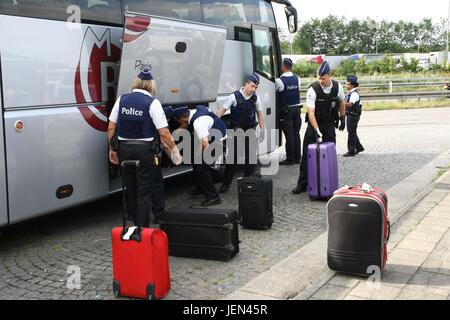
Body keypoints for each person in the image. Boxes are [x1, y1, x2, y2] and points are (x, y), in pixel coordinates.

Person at [108, 69, 182, 227]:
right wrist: (175, 151)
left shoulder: (122, 99)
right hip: (145, 151)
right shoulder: (152, 103)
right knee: (145, 189)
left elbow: (111, 127)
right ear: (151, 85)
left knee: (130, 187)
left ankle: (133, 223)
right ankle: (143, 229)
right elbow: (164, 133)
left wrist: (112, 149)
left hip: (124, 149)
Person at [292, 61, 346, 194]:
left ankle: (329, 183)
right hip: (314, 126)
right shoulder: (313, 89)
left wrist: (343, 117)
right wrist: (316, 131)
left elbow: (342, 102)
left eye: (323, 78)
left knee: (329, 154)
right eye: (319, 78)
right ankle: (302, 184)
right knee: (306, 155)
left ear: (330, 76)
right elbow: (310, 112)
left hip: (328, 125)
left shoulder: (338, 87)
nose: (321, 81)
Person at [215, 73, 266, 193]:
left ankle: (248, 181)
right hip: (237, 129)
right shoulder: (234, 96)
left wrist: (262, 129)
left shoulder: (255, 98)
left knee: (251, 158)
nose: (253, 89)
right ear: (246, 83)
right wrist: (214, 125)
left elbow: (260, 113)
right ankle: (226, 184)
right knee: (233, 158)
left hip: (250, 129)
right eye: (252, 86)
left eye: (255, 87)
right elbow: (221, 111)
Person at [171, 105, 227, 207]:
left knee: (202, 168)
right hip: (211, 138)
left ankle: (213, 197)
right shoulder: (193, 113)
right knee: (196, 161)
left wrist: (202, 157)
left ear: (183, 118)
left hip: (218, 142)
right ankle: (201, 188)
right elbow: (184, 126)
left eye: (178, 121)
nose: (179, 124)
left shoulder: (198, 122)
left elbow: (205, 144)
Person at [276, 58, 302, 165]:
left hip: (286, 111)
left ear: (283, 66)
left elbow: (276, 92)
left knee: (289, 135)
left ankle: (290, 159)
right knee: (296, 134)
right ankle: (297, 158)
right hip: (297, 109)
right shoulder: (297, 78)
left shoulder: (279, 80)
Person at [343, 75, 364, 157]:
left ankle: (351, 150)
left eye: (348, 84)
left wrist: (341, 102)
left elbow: (350, 104)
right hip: (351, 114)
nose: (346, 85)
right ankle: (359, 147)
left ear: (353, 85)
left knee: (351, 132)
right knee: (352, 132)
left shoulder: (354, 94)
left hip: (353, 115)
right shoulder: (351, 93)